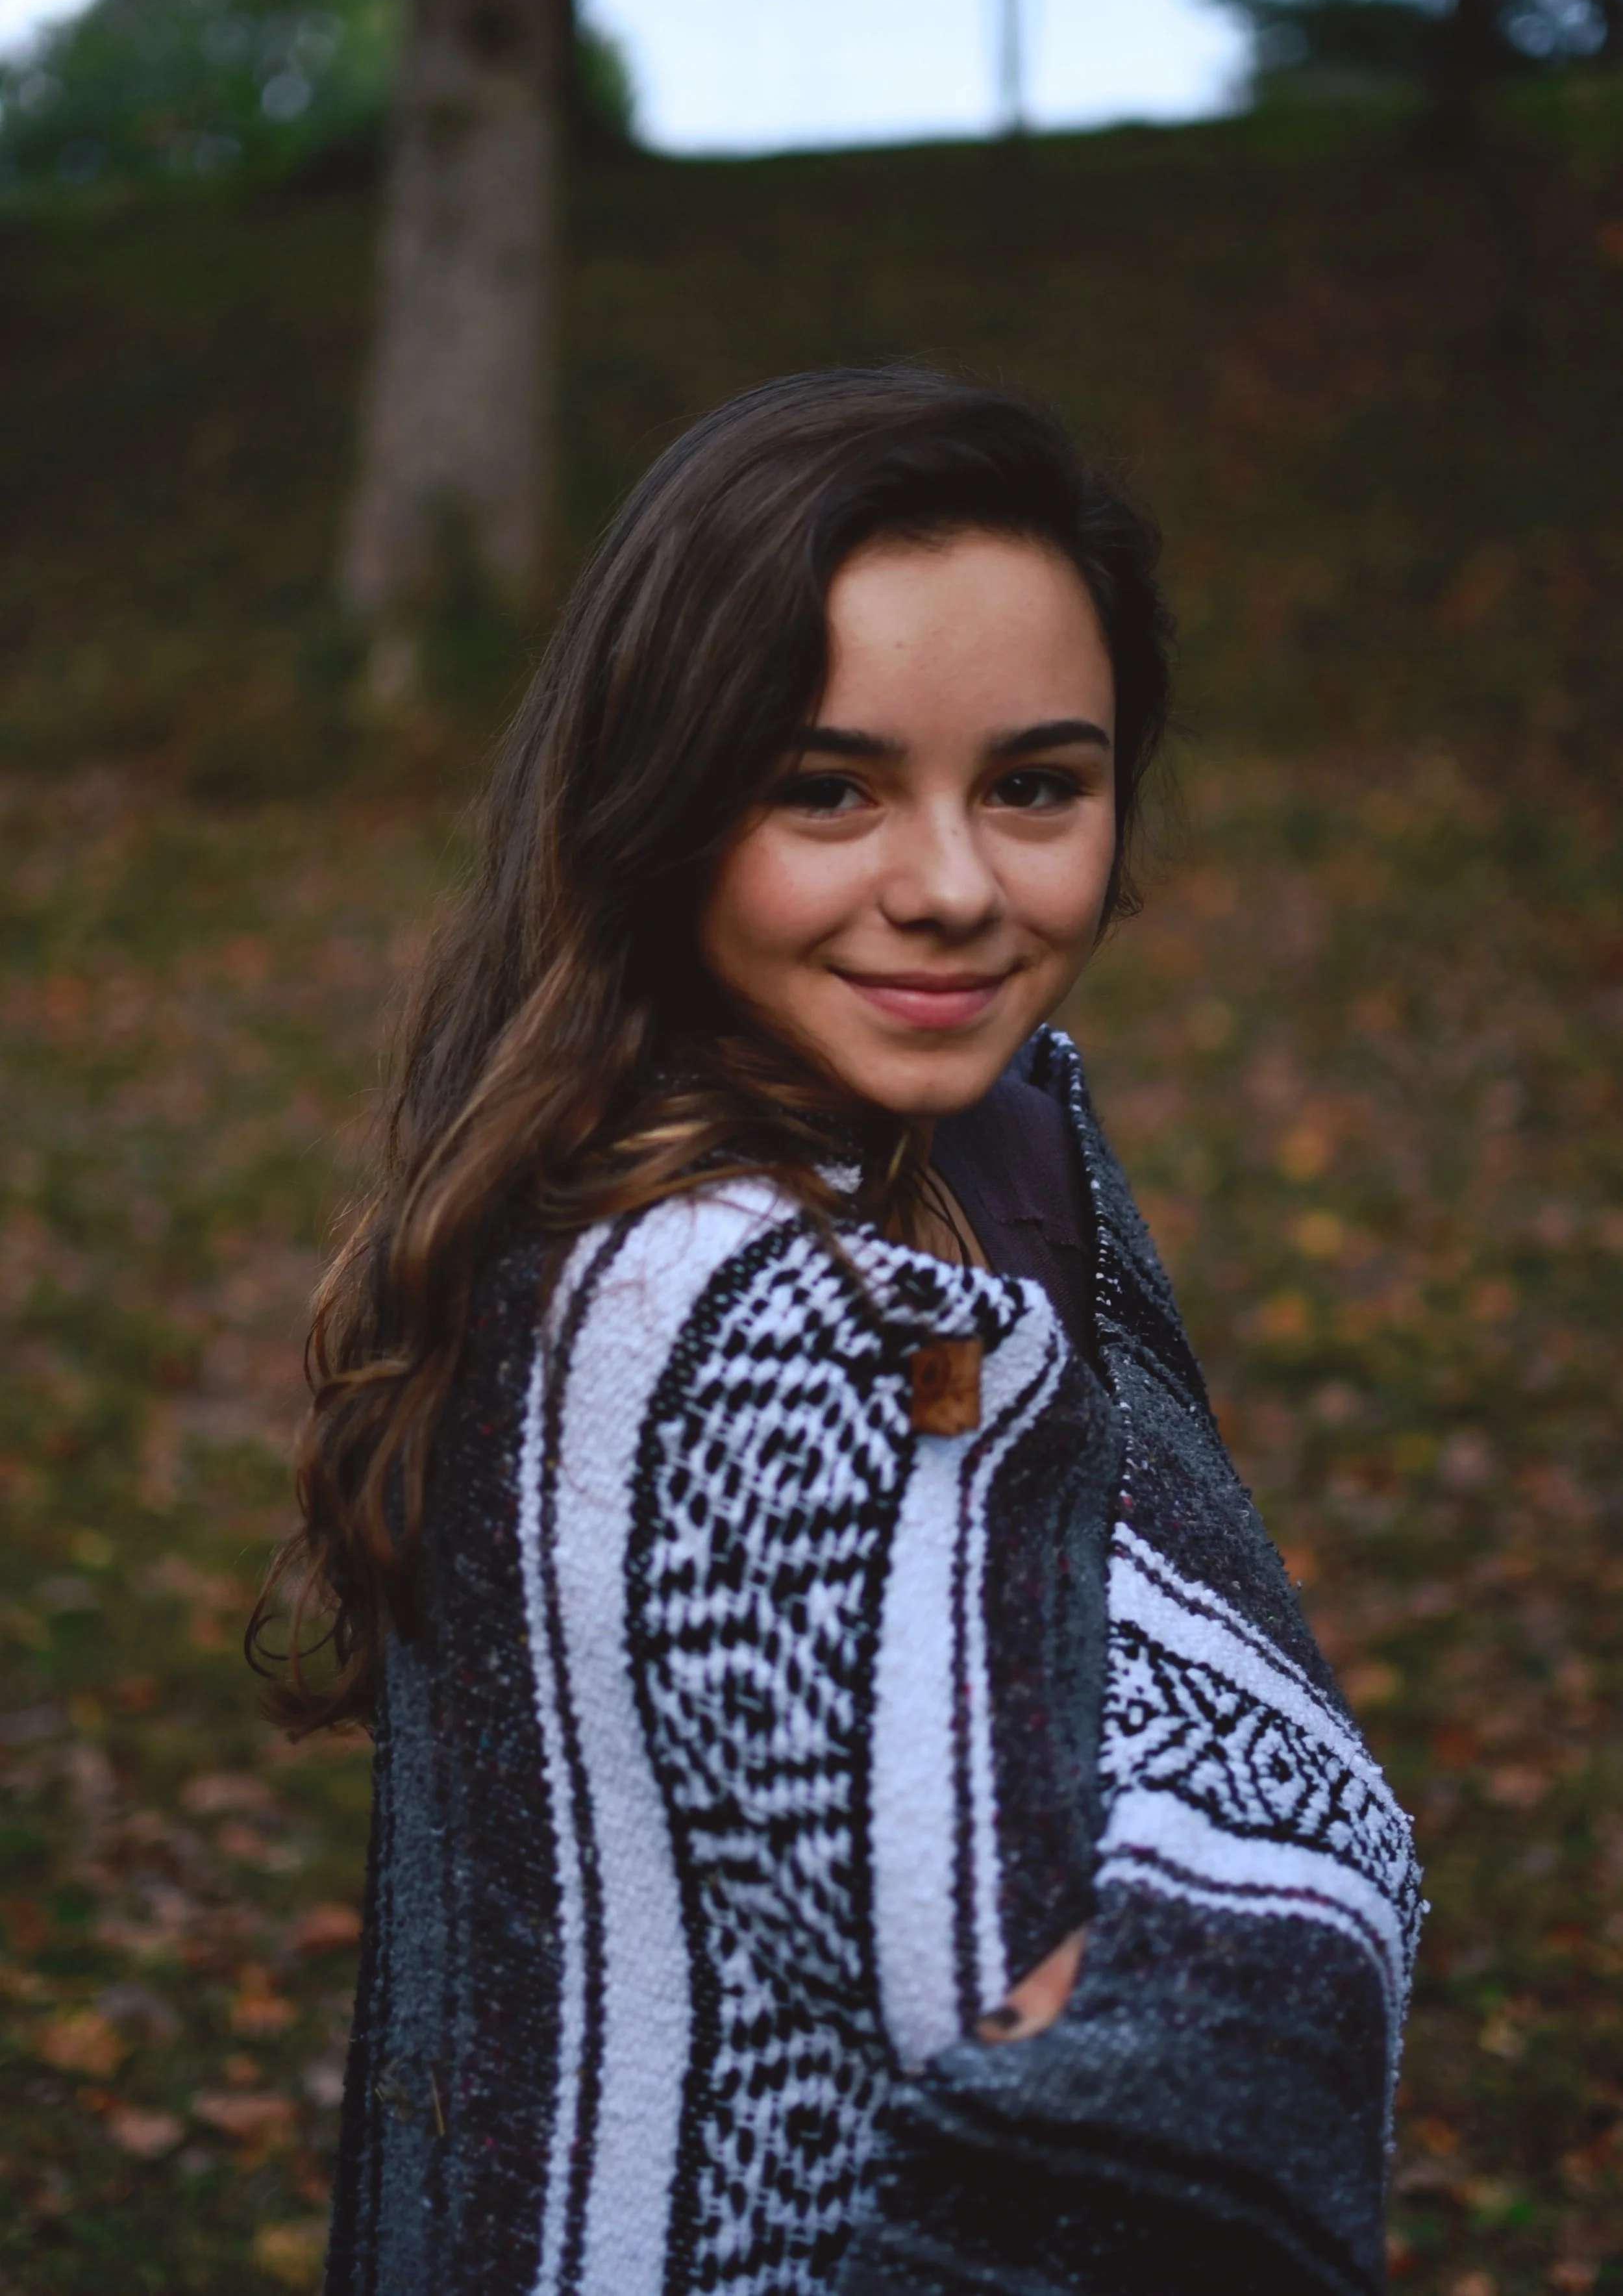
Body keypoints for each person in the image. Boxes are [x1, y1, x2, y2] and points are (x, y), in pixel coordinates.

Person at [252, 369, 1420, 2296]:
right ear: (655, 795)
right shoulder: (714, 1303)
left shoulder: (982, 1157)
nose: (951, 887)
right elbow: (1054, 2028)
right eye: (826, 786)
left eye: (1035, 783)